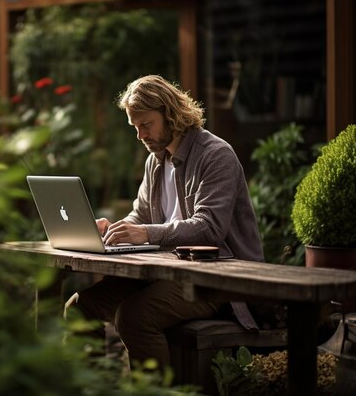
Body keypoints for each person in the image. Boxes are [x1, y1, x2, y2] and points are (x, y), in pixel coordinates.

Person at [73, 74, 264, 373]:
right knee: (80, 307)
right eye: (135, 127)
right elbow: (142, 216)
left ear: (170, 113)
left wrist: (144, 232)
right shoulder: (156, 160)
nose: (140, 135)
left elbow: (209, 228)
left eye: (145, 125)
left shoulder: (216, 155)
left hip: (216, 280)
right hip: (168, 274)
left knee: (134, 317)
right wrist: (113, 229)